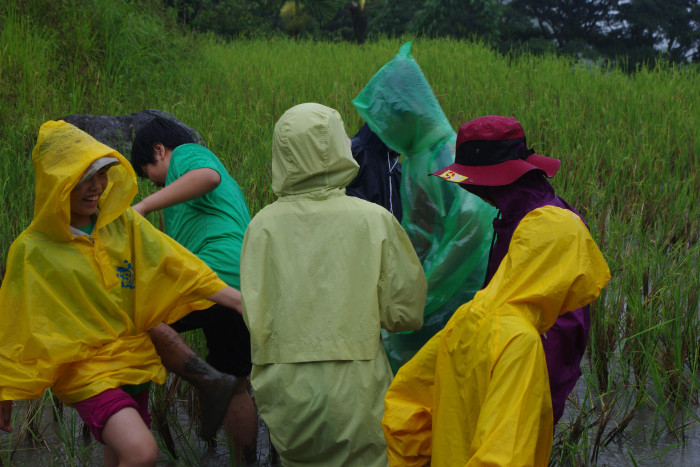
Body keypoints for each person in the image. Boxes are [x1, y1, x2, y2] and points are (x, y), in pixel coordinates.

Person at [0, 120, 244, 466]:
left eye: (101, 174)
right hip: (85, 371)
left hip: (134, 360)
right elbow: (13, 320)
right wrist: (5, 389)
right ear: (57, 182)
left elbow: (177, 264)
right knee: (141, 452)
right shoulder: (32, 249)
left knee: (118, 457)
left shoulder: (122, 224)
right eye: (83, 177)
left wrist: (236, 301)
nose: (96, 186)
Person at [381, 115, 611, 466]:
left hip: (524, 376)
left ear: (493, 180)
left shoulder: (549, 232)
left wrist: (536, 400)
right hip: (495, 361)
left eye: (474, 182)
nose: (470, 190)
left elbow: (563, 334)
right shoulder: (513, 219)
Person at [240, 103, 427, 467]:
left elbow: (255, 315)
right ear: (341, 147)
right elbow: (405, 313)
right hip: (357, 391)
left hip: (285, 393)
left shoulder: (261, 226)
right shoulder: (375, 221)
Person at [130, 116, 257, 464]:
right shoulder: (187, 203)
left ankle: (206, 381)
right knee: (237, 384)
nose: (155, 186)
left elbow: (206, 176)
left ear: (159, 150)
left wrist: (141, 207)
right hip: (238, 282)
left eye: (149, 173)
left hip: (213, 272)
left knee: (133, 319)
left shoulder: (186, 154)